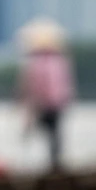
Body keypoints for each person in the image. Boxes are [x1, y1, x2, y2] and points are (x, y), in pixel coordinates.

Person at [19, 19, 75, 171]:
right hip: (58, 105)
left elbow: (32, 87)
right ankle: (55, 165)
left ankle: (52, 166)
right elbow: (67, 86)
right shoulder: (61, 61)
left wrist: (29, 110)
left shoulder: (37, 63)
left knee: (43, 133)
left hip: (45, 105)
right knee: (54, 135)